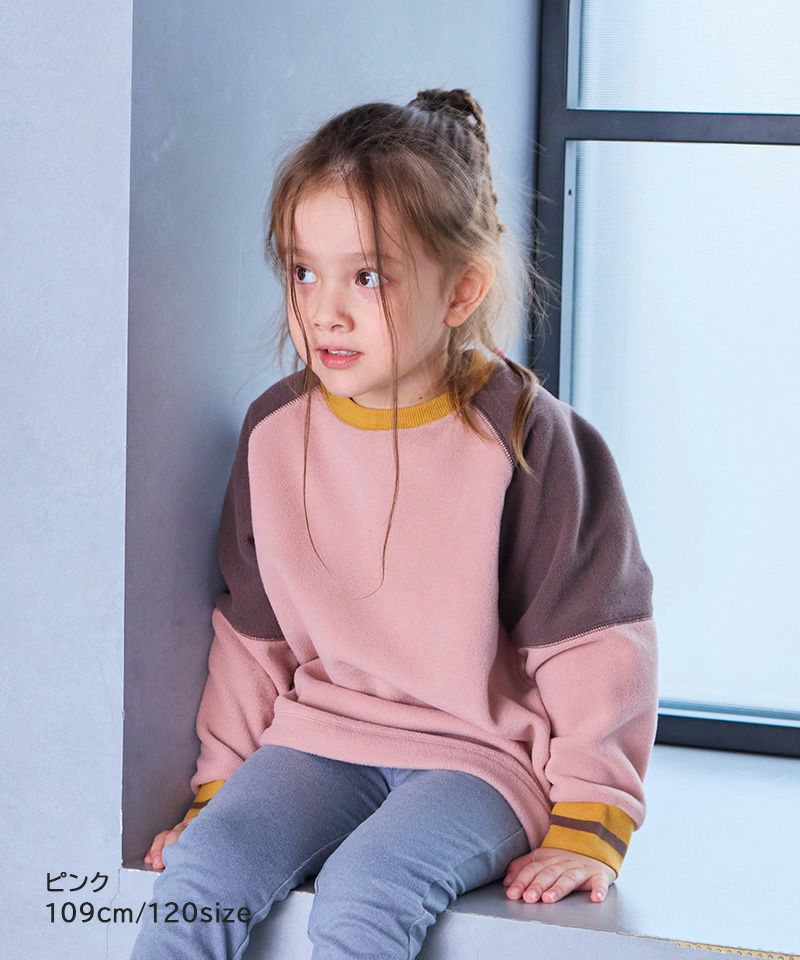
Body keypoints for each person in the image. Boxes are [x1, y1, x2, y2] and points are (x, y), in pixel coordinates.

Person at [130, 87, 658, 960]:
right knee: (201, 872)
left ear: (461, 291)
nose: (324, 310)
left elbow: (595, 643)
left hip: (479, 759)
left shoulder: (525, 439)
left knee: (367, 889)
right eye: (303, 272)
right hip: (320, 738)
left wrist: (591, 818)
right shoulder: (273, 432)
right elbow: (253, 632)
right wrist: (220, 790)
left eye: (367, 277)